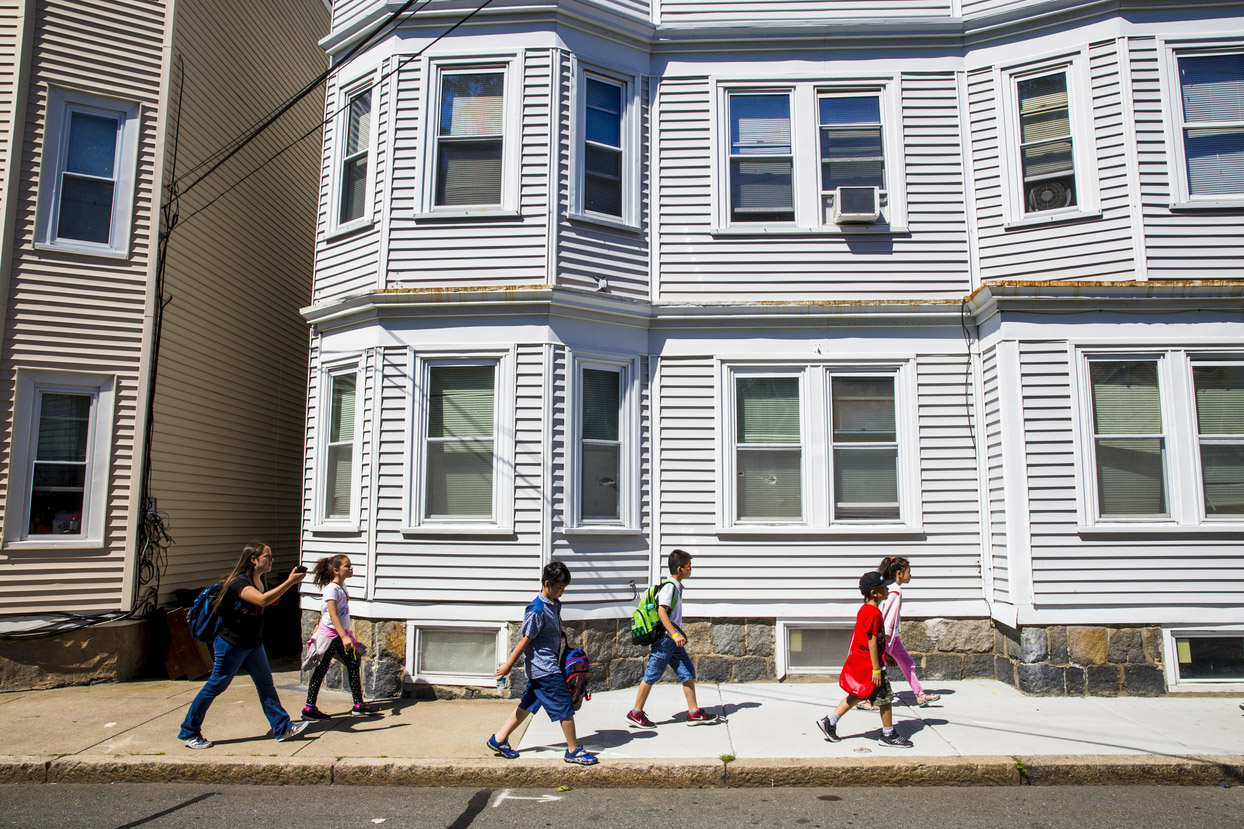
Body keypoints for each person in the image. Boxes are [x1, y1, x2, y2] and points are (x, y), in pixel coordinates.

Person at [178, 542, 309, 749]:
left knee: (266, 685)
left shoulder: (258, 579)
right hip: (232, 644)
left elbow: (263, 602)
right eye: (267, 557)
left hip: (252, 644)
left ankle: (282, 727)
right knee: (216, 686)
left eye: (271, 556)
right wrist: (290, 582)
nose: (271, 560)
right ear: (253, 560)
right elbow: (262, 600)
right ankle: (189, 731)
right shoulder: (239, 583)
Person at [486, 560, 598, 766]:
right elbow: (525, 640)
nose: (562, 592)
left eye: (564, 588)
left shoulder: (553, 604)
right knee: (565, 705)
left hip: (543, 668)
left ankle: (499, 739)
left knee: (528, 704)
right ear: (547, 584)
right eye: (559, 588)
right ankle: (573, 750)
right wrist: (508, 666)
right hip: (545, 668)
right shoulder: (536, 610)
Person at [816, 571, 914, 748]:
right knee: (885, 698)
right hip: (872, 664)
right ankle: (888, 734)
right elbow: (871, 641)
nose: (887, 590)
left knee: (858, 694)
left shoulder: (869, 610)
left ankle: (830, 721)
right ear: (874, 593)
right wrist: (877, 669)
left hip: (870, 660)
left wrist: (887, 654)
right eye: (884, 587)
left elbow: (874, 640)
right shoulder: (872, 612)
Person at [626, 549, 721, 728]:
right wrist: (675, 634)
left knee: (687, 671)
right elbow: (662, 612)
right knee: (652, 674)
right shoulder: (670, 587)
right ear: (680, 569)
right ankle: (635, 713)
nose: (690, 569)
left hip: (672, 641)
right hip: (665, 640)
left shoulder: (675, 586)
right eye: (688, 566)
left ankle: (693, 712)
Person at [301, 555, 380, 720]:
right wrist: (344, 636)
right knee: (321, 669)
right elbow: (332, 614)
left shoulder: (342, 586)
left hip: (340, 635)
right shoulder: (331, 589)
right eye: (347, 566)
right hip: (331, 636)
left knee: (353, 663)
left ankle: (358, 704)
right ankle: (309, 708)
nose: (351, 568)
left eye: (350, 565)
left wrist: (344, 634)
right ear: (336, 570)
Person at [858, 556, 939, 710]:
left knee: (908, 664)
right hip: (888, 637)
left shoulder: (891, 589)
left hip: (893, 637)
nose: (911, 575)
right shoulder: (895, 590)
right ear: (899, 573)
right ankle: (868, 699)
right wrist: (885, 639)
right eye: (909, 572)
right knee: (876, 667)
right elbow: (888, 615)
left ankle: (920, 695)